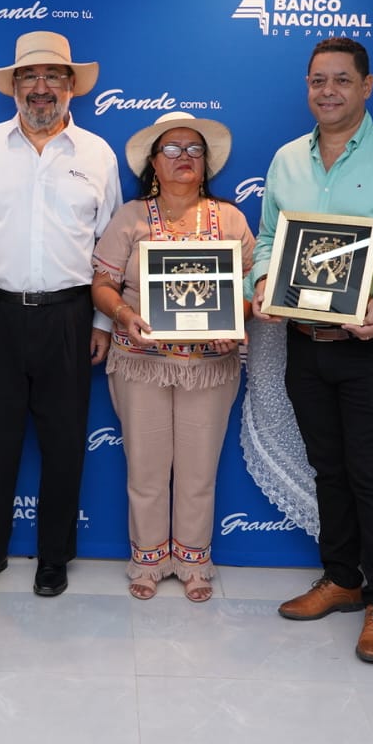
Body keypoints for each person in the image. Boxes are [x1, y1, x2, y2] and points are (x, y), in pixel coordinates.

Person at [243, 37, 373, 664]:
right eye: (317, 80)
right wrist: (261, 283)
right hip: (306, 343)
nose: (327, 91)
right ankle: (343, 579)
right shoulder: (286, 161)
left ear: (367, 86)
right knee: (329, 469)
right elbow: (271, 239)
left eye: (341, 80)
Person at [0, 30, 122, 597]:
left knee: (64, 443)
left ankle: (55, 556)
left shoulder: (99, 154)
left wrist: (102, 323)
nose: (42, 87)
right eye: (30, 76)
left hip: (70, 317)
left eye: (55, 76)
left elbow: (110, 251)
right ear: (14, 87)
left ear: (72, 86)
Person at [91, 112, 255, 602]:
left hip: (209, 366)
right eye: (172, 150)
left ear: (206, 163)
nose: (184, 159)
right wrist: (122, 313)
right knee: (145, 466)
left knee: (198, 469)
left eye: (194, 150)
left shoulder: (229, 219)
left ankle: (193, 559)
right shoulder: (130, 217)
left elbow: (252, 284)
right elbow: (101, 284)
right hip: (141, 359)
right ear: (153, 164)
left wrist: (238, 321)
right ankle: (147, 558)